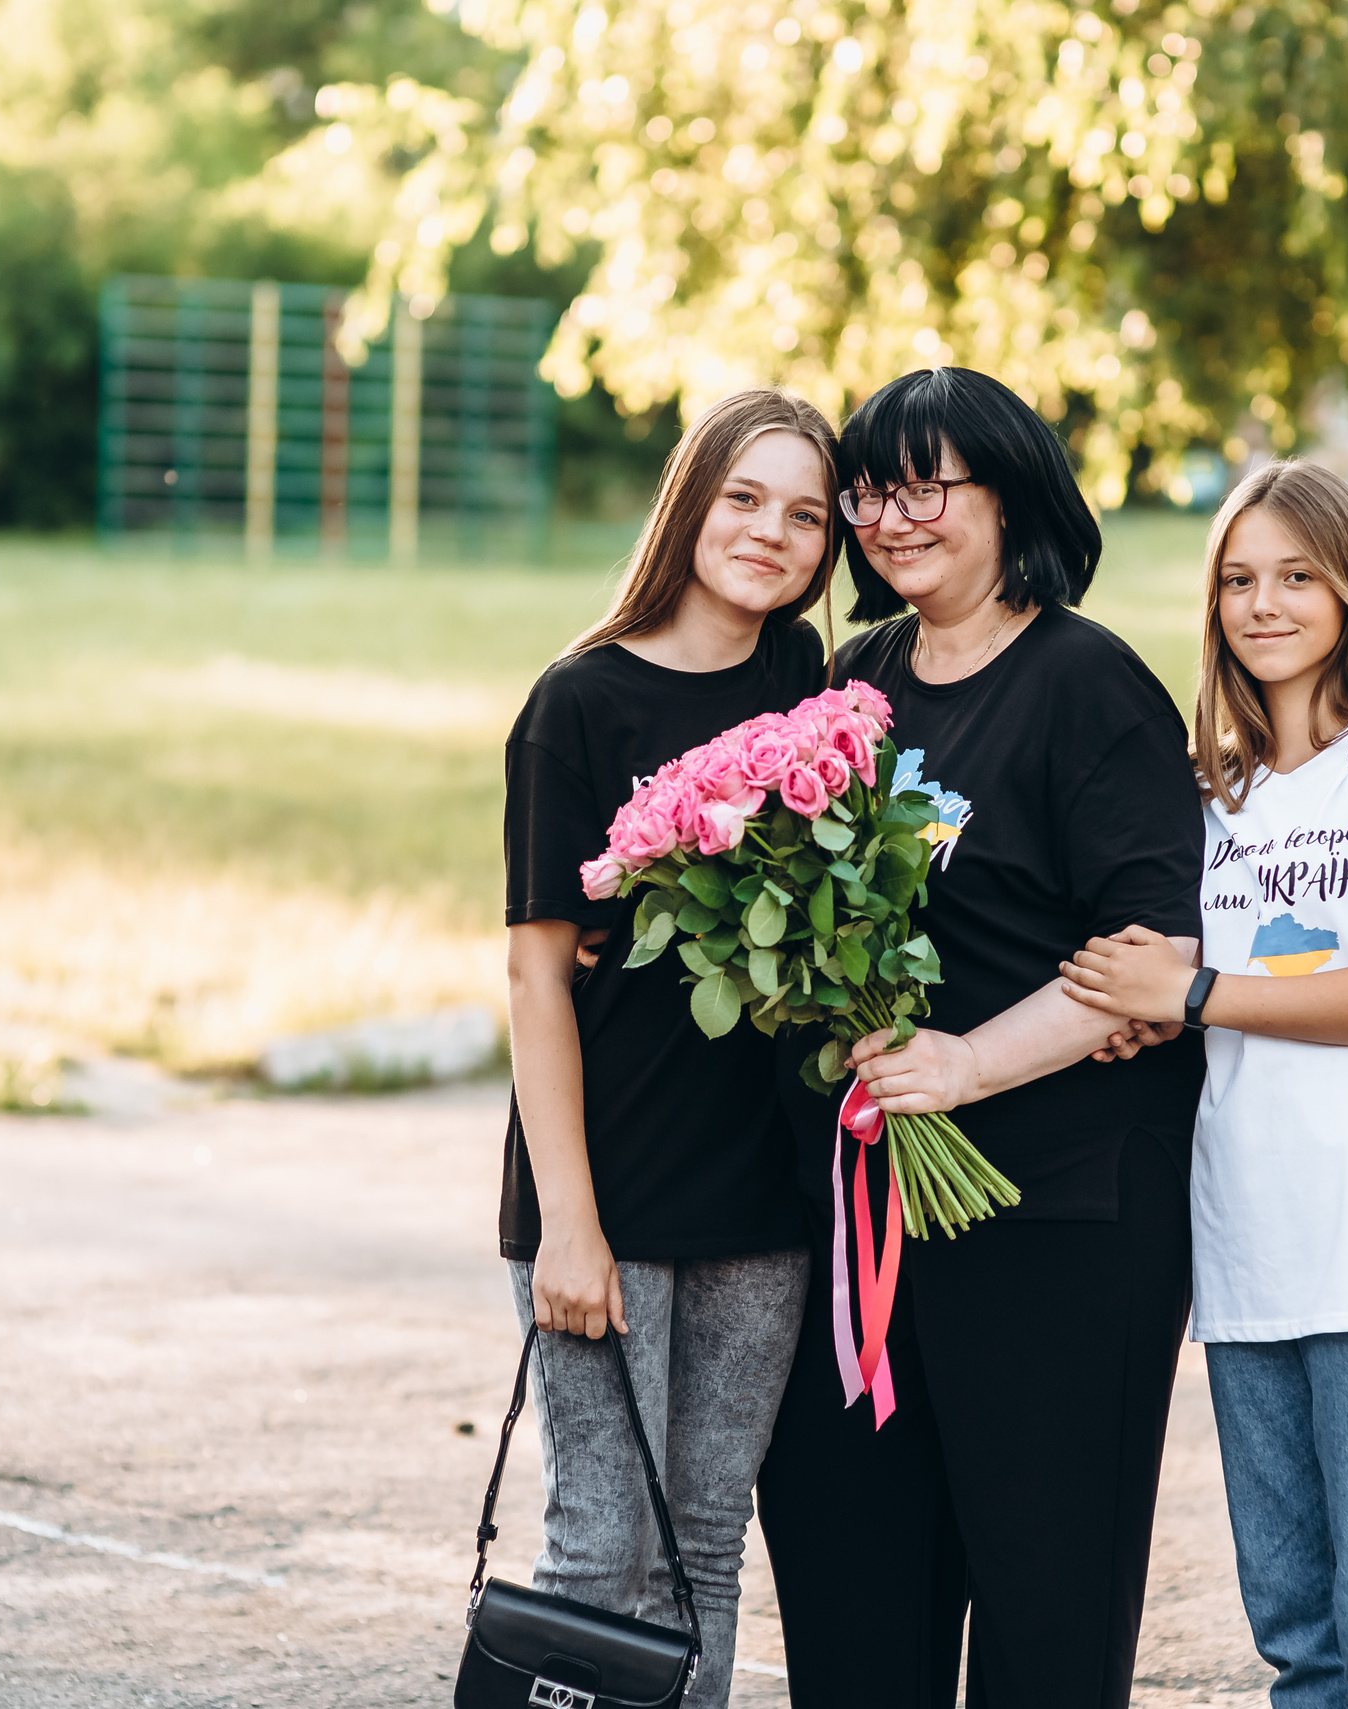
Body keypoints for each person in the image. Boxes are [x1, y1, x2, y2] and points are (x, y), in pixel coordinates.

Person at [752, 366, 1207, 1709]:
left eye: (924, 486)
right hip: (867, 1237)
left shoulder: (1088, 684)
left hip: (1060, 1229)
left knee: (1043, 1633)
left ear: (1008, 498)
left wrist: (963, 1064)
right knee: (853, 1620)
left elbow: (1152, 957)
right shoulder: (849, 686)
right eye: (870, 490)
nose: (890, 519)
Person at [1057, 459, 1348, 1709]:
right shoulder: (1218, 788)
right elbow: (1203, 982)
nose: (1263, 604)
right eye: (1238, 579)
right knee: (1300, 1641)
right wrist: (1145, 1014)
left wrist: (1193, 991)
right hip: (1246, 1258)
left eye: (1296, 575)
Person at [500, 387, 840, 1709]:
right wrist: (569, 1225)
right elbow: (537, 974)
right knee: (601, 1550)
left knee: (705, 1546)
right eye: (745, 497)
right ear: (690, 500)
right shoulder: (576, 704)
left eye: (806, 514)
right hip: (611, 1191)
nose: (772, 533)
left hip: (760, 1194)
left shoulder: (813, 688)